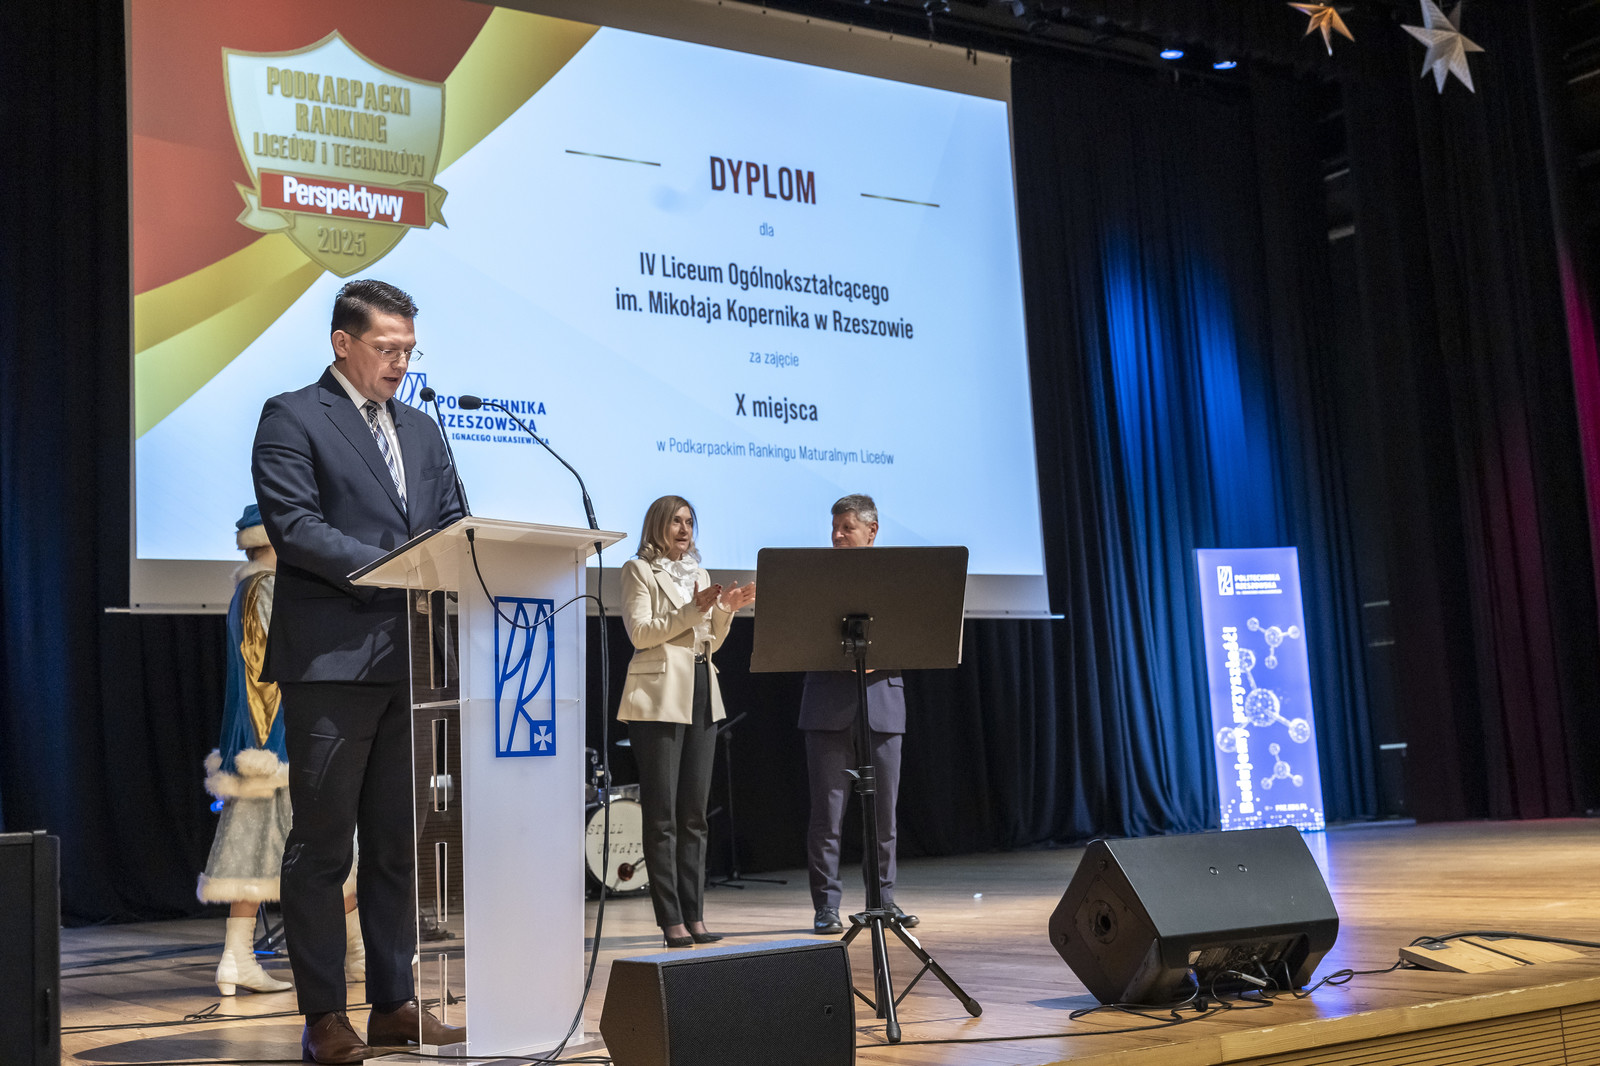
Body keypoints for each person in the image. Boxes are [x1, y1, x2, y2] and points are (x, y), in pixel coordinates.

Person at [252, 279, 466, 1064]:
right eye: (386, 348)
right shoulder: (292, 416)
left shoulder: (424, 430)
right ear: (343, 343)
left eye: (408, 350)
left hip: (414, 661)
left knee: (397, 845)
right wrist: (397, 567)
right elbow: (296, 526)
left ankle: (395, 1004)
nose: (400, 363)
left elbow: (453, 523)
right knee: (322, 848)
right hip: (334, 662)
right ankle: (323, 1017)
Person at [197, 505, 364, 998]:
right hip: (275, 740)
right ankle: (245, 958)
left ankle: (350, 954)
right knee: (305, 843)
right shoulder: (265, 589)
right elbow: (277, 664)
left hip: (266, 740)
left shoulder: (250, 589)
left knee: (282, 845)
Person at [616, 496, 755, 948]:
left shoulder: (700, 574)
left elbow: (710, 641)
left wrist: (725, 610)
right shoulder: (638, 570)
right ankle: (670, 919)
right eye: (675, 521)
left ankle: (695, 916)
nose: (684, 529)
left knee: (694, 815)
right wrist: (694, 610)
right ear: (657, 525)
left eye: (689, 522)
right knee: (662, 816)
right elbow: (641, 634)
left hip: (701, 688)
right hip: (658, 695)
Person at [800, 494, 918, 935]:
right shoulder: (815, 578)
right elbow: (799, 633)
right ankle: (826, 907)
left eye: (846, 528)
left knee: (883, 816)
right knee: (827, 816)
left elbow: (913, 632)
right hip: (827, 706)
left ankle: (884, 901)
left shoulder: (895, 579)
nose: (837, 536)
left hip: (882, 703)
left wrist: (880, 654)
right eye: (834, 528)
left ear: (872, 531)